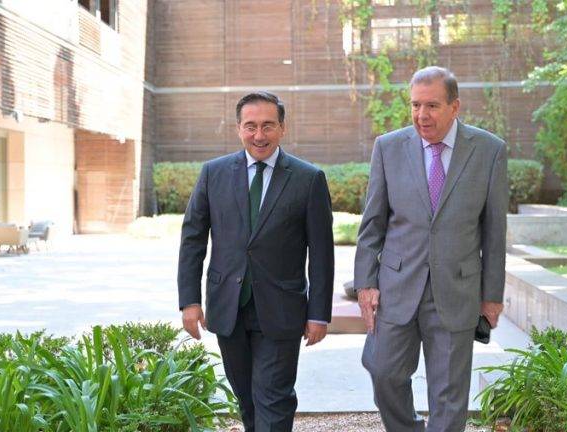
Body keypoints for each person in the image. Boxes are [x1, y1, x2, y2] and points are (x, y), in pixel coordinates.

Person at [354, 66, 508, 431]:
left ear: (455, 107)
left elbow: (494, 231)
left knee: (450, 393)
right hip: (396, 287)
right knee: (383, 372)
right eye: (415, 105)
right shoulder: (388, 148)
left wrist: (492, 295)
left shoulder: (489, 151)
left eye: (433, 106)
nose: (422, 115)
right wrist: (365, 282)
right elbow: (372, 224)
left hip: (456, 289)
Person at [178, 91, 334, 432]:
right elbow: (192, 240)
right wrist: (189, 301)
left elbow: (322, 253)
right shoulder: (213, 174)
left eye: (267, 126)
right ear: (238, 128)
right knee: (247, 399)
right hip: (228, 308)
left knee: (273, 398)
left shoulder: (308, 179)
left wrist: (319, 313)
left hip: (281, 309)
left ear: (282, 128)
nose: (259, 135)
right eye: (251, 126)